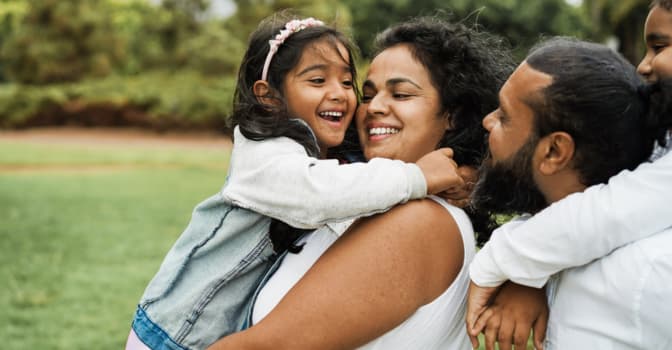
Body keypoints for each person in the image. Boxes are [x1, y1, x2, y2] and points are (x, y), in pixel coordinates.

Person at [125, 13, 467, 350]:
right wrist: (418, 176)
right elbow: (321, 193)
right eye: (318, 81)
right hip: (175, 333)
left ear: (452, 115)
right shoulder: (266, 155)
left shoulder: (401, 207)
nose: (345, 96)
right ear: (269, 96)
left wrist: (465, 174)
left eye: (347, 84)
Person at [207, 16, 513, 349]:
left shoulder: (420, 221)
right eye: (367, 95)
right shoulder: (360, 196)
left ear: (452, 114)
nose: (374, 108)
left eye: (401, 94)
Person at [466, 1, 672, 347]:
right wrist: (530, 274)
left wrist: (502, 262)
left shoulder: (648, 275)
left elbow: (612, 212)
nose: (643, 65)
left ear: (555, 151)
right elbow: (597, 205)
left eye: (660, 46)